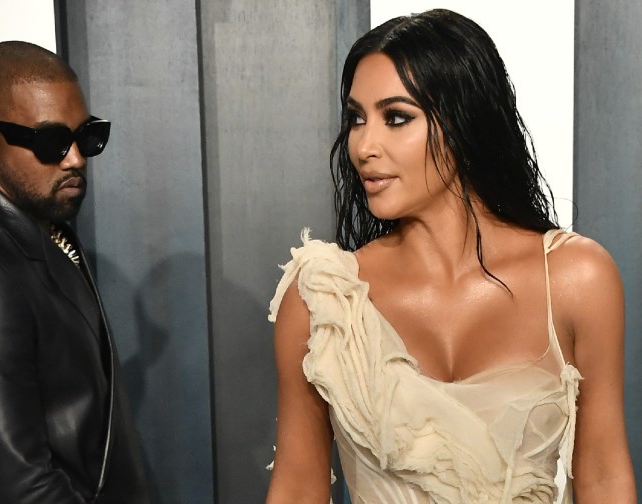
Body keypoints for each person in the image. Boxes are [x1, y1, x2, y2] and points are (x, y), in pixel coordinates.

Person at [266, 9, 636, 504]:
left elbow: (604, 475)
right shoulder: (323, 300)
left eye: (396, 118)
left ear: (464, 121)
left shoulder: (575, 279)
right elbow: (297, 485)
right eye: (356, 118)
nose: (364, 145)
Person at [0, 41, 148, 503]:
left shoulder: (39, 226)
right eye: (52, 141)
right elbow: (24, 490)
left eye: (87, 136)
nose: (76, 157)